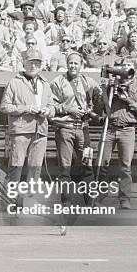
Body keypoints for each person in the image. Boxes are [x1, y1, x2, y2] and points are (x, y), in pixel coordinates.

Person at [50, 52, 103, 206]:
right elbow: (51, 105)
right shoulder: (58, 82)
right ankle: (66, 202)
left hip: (83, 129)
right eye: (70, 63)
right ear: (67, 64)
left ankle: (91, 201)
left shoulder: (89, 82)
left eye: (76, 63)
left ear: (81, 65)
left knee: (87, 165)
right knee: (65, 168)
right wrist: (68, 108)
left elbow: (101, 98)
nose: (73, 66)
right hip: (65, 129)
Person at [97, 57, 137, 209]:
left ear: (135, 68)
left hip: (127, 129)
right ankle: (99, 196)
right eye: (124, 65)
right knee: (102, 163)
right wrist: (108, 90)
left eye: (129, 65)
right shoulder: (113, 84)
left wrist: (127, 100)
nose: (126, 68)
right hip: (110, 127)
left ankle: (124, 199)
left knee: (125, 166)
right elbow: (101, 104)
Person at [0, 49, 56, 189]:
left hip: (40, 130)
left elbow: (52, 106)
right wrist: (26, 108)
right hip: (20, 131)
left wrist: (48, 111)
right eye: (30, 62)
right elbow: (4, 107)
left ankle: (31, 198)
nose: (33, 66)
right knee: (16, 166)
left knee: (36, 168)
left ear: (41, 65)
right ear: (24, 63)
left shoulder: (45, 83)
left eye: (37, 63)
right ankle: (11, 198)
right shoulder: (14, 82)